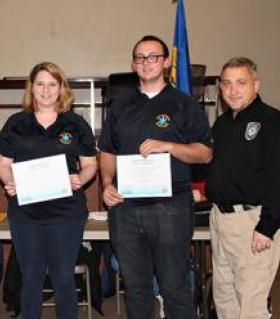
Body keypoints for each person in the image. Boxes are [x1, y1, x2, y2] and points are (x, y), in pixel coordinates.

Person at [98, 35, 212, 319]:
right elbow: (108, 152)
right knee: (136, 289)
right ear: (133, 64)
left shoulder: (185, 104)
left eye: (152, 56)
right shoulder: (119, 106)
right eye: (139, 57)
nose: (145, 62)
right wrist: (107, 184)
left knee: (174, 287)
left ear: (166, 61)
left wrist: (168, 146)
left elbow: (205, 153)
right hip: (126, 209)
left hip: (171, 207)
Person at [0, 61, 97, 319]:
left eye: (52, 84)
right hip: (26, 214)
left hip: (67, 214)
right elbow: (3, 164)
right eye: (40, 84)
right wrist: (9, 181)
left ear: (61, 88)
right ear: (32, 88)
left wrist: (81, 179)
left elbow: (90, 164)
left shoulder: (76, 123)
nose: (46, 90)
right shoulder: (16, 123)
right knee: (31, 277)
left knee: (63, 277)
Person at [206, 57, 280, 319]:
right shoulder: (222, 124)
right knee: (225, 298)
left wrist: (267, 227)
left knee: (251, 305)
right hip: (220, 219)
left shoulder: (272, 121)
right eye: (226, 83)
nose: (232, 90)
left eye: (241, 82)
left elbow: (277, 178)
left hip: (252, 223)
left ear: (256, 85)